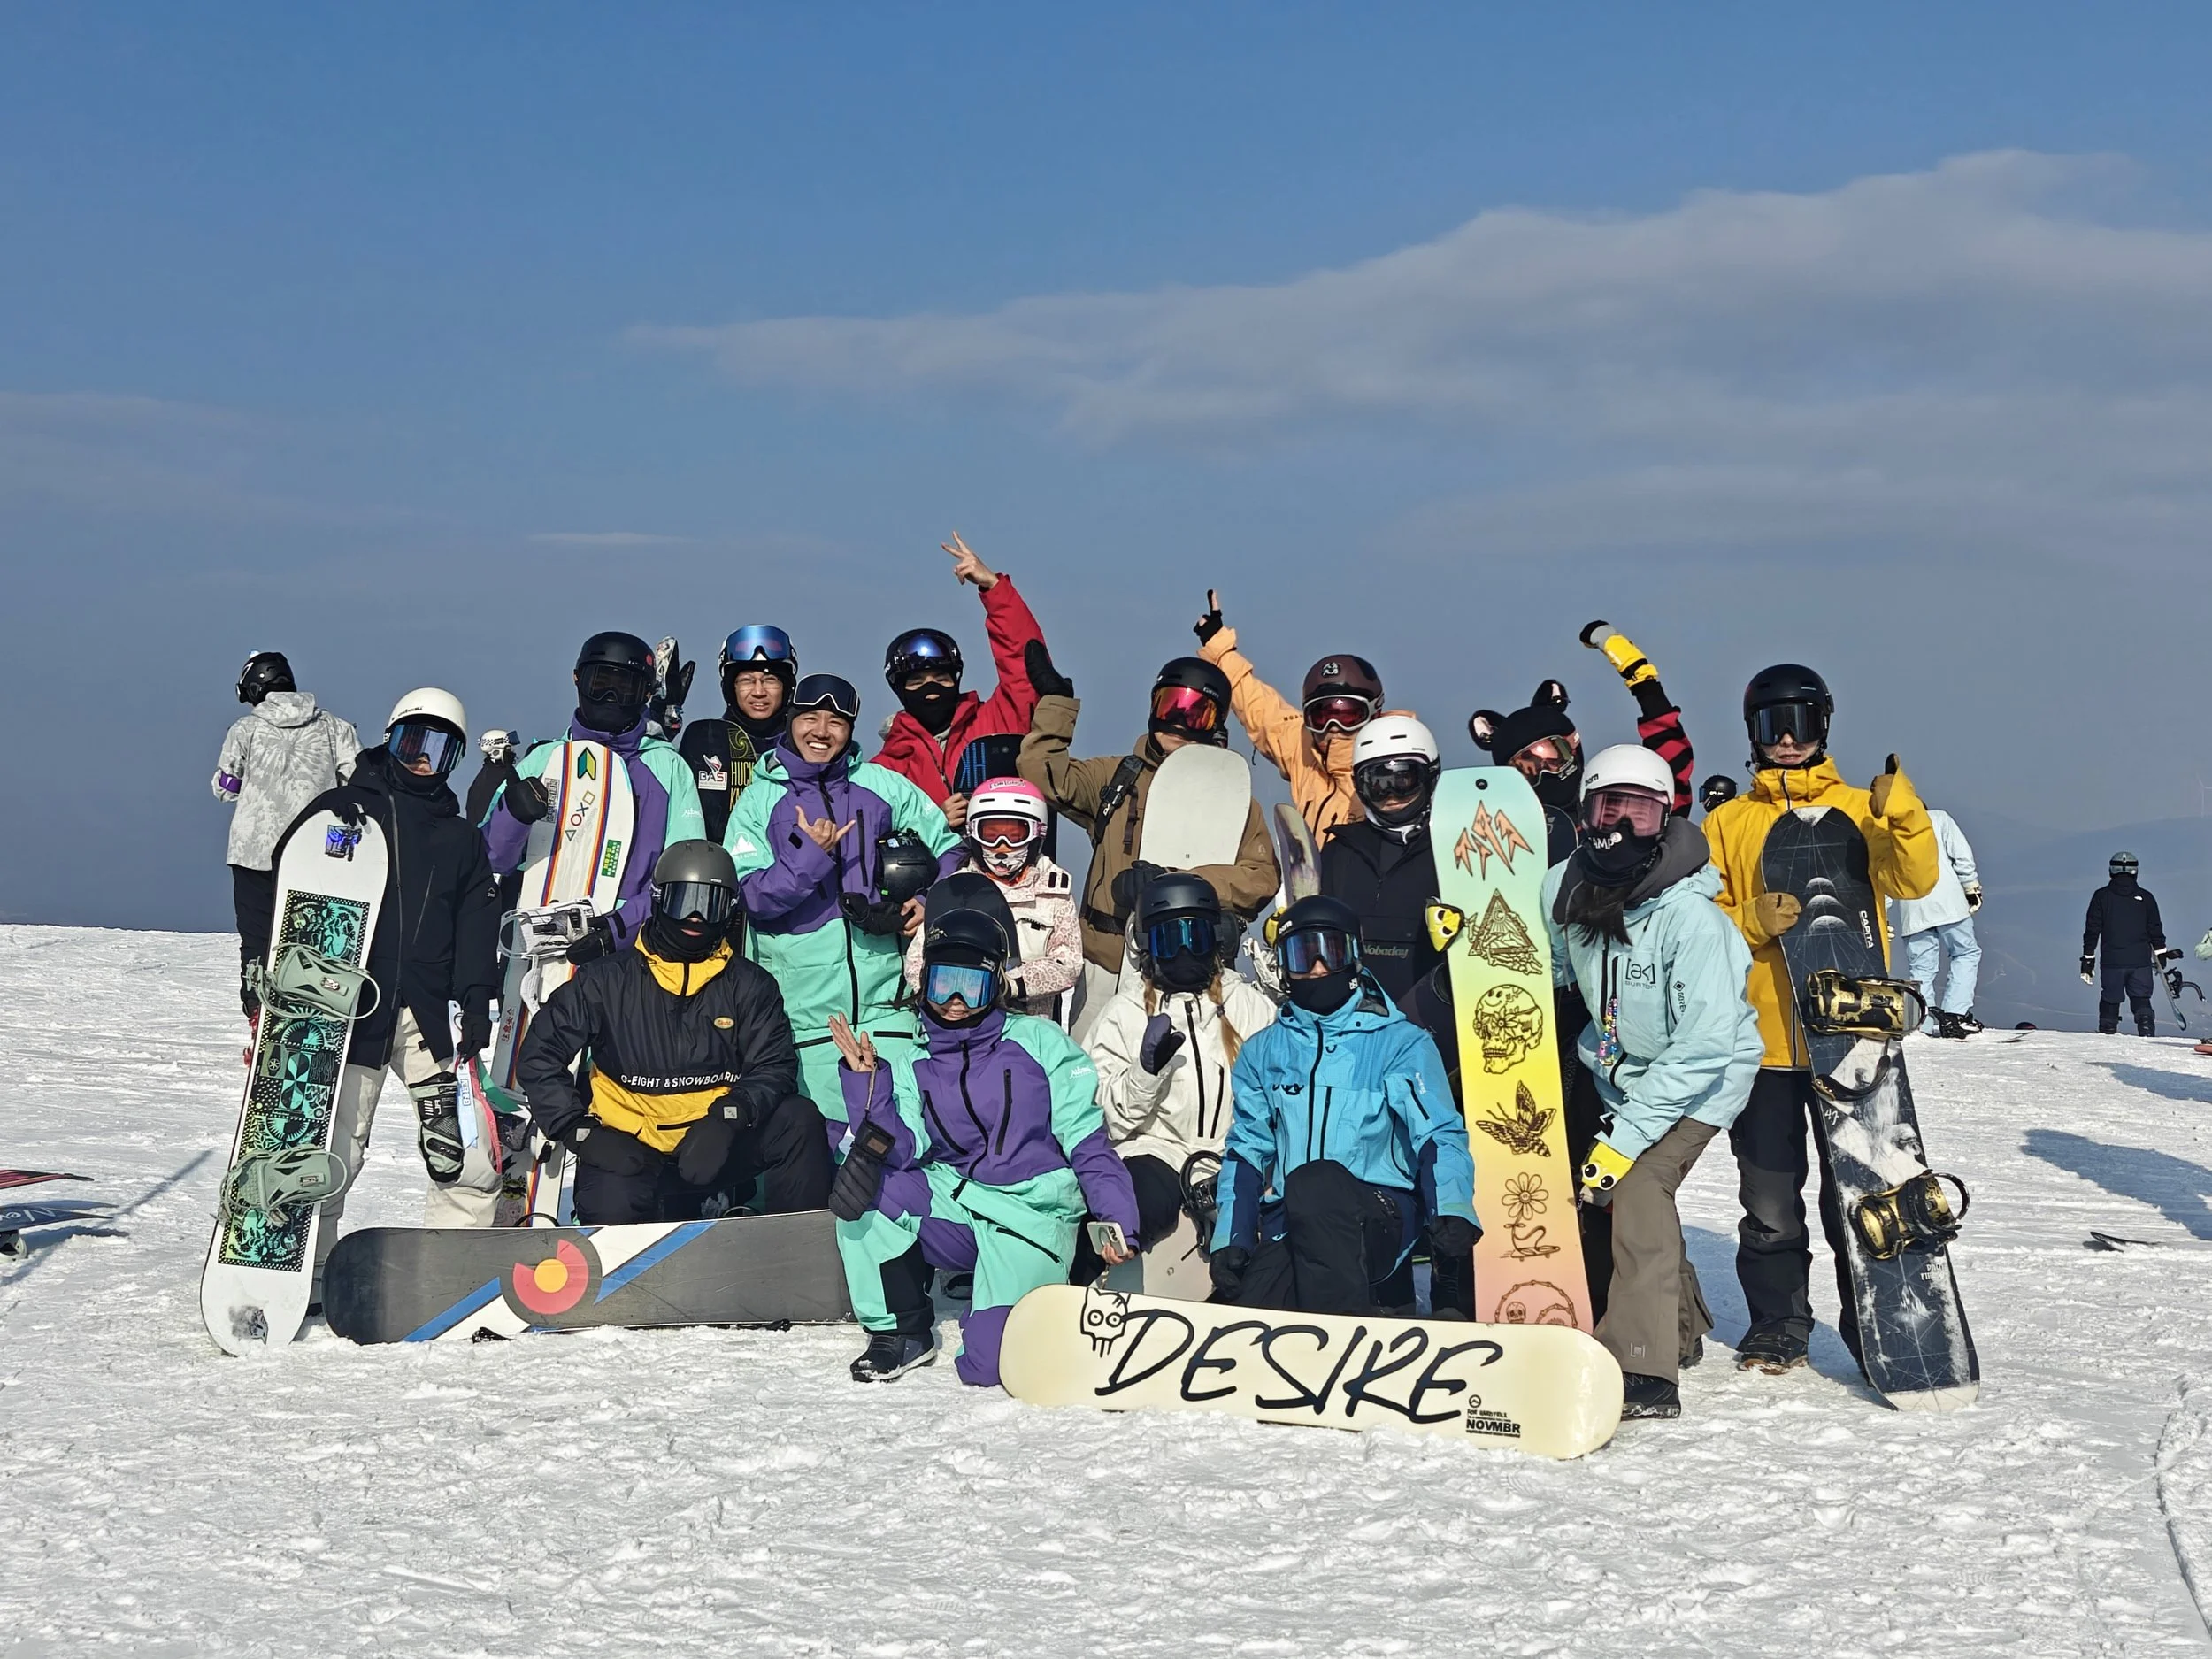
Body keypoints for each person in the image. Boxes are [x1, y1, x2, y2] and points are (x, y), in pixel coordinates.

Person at [1702, 664, 1939, 1374]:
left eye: (1798, 722)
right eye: (1769, 723)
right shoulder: (1728, 823)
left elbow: (1914, 878)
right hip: (1764, 1044)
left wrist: (1903, 814)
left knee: (1861, 1194)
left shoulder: (1858, 812)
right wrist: (1747, 920)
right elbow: (1701, 922)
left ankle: (1875, 1326)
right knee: (1769, 1199)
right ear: (1750, 732)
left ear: (1822, 726)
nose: (1783, 737)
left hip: (1850, 1038)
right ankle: (1779, 1323)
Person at [826, 902, 1139, 1385]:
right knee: (865, 1182)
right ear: (923, 983)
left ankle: (1021, 1289)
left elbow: (1087, 1141)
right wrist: (867, 1086)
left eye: (969, 984)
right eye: (941, 982)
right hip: (959, 1204)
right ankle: (902, 1331)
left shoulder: (1042, 1042)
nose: (953, 999)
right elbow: (902, 1147)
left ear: (994, 983)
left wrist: (1116, 1215)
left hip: (1031, 1217)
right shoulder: (914, 1061)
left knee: (992, 1367)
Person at [1541, 746, 1763, 1418]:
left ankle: (1642, 1367)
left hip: (1700, 1081)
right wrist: (1466, 953)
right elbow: (1552, 967)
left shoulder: (1691, 919)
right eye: (1609, 806)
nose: (1621, 824)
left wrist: (1628, 1137)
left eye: (1638, 810)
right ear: (1586, 814)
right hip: (1614, 1070)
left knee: (1634, 1182)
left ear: (1665, 820)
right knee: (1594, 1189)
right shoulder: (1565, 887)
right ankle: (1680, 1324)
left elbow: (1703, 1046)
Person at [278, 689, 503, 1296]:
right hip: (350, 1015)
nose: (423, 758)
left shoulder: (459, 836)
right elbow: (292, 874)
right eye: (413, 741)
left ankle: (457, 1273)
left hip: (428, 1017)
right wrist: (333, 831)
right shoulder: (344, 811)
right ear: (391, 740)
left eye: (441, 748)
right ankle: (310, 1273)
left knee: (464, 1154)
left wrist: (478, 996)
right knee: (334, 1150)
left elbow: (479, 918)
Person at [514, 841, 825, 1225]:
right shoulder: (606, 981)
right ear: (659, 900)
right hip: (628, 1150)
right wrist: (580, 1132)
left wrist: (729, 1117)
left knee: (799, 1121)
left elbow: (774, 1067)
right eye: (683, 901)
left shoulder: (749, 985)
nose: (695, 917)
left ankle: (795, 1253)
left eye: (709, 904)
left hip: (712, 1146)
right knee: (610, 1207)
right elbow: (539, 1055)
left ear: (727, 911)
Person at [1209, 895, 1479, 1316]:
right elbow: (1246, 1150)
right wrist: (1233, 1236)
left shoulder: (1400, 1044)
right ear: (1283, 964)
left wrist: (1451, 1205)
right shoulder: (1263, 1053)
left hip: (1380, 1214)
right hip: (1292, 1222)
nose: (1317, 967)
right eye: (1302, 954)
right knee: (1252, 1311)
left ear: (1353, 955)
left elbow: (1438, 1133)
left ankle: (1340, 1349)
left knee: (1316, 1183)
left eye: (1330, 951)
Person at [724, 673, 964, 1115]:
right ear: (791, 720)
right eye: (810, 718)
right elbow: (749, 898)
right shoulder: (759, 801)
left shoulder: (884, 786)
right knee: (813, 1155)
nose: (821, 731)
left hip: (889, 1014)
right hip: (800, 1020)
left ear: (851, 729)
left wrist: (929, 902)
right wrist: (809, 857)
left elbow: (951, 850)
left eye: (836, 721)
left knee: (898, 1144)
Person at [1018, 645, 1280, 1040]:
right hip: (1104, 964)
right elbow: (1042, 776)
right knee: (1094, 1077)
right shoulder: (1118, 777)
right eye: (1170, 705)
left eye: (1196, 712)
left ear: (1215, 722)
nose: (1179, 721)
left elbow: (1260, 878)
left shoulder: (1232, 798)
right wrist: (1056, 705)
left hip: (1186, 965)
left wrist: (1179, 884)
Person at [478, 631, 706, 965]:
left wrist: (620, 928)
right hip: (545, 945)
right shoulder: (544, 761)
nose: (610, 697)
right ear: (577, 680)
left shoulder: (666, 767)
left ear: (644, 693)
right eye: (599, 683)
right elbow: (491, 858)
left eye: (625, 687)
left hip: (632, 949)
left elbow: (684, 874)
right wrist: (512, 816)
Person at [1087, 872, 1279, 1255]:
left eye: (1197, 937)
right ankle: (1098, 1285)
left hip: (1240, 1154)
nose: (1185, 952)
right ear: (1146, 946)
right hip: (1159, 1153)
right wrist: (1144, 1075)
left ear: (1219, 940)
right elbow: (1100, 1122)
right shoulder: (1123, 1014)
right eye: (1169, 941)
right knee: (1132, 1202)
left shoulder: (1251, 1007)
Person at [1468, 622, 1695, 867]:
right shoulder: (1510, 836)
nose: (1545, 771)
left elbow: (1670, 768)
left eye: (1553, 756)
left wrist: (1646, 687)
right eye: (1527, 768)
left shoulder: (1619, 806)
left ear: (1573, 746)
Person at [1191, 590, 1410, 841]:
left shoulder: (1397, 765)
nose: (1333, 727)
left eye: (1348, 715)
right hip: (1317, 879)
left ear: (1374, 712)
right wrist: (1219, 648)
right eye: (1322, 715)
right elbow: (1260, 710)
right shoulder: (1304, 751)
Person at [213, 650, 360, 1019]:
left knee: (257, 936)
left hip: (254, 852)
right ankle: (317, 997)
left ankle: (255, 1001)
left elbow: (225, 787)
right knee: (312, 935)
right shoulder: (334, 727)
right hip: (316, 850)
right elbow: (358, 781)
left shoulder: (245, 730)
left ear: (251, 687)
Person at [871, 534, 1048, 827]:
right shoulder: (885, 771)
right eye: (917, 681)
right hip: (932, 872)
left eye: (941, 678)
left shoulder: (995, 723)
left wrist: (993, 588)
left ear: (957, 679)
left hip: (1006, 862)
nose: (931, 688)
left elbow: (1026, 671)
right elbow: (870, 841)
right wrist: (932, 823)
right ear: (899, 689)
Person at [901, 776, 1081, 1019]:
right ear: (973, 832)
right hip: (963, 1022)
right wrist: (952, 991)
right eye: (991, 833)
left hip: (1031, 1027)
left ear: (1038, 832)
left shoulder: (1053, 892)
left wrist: (1008, 984)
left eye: (1014, 834)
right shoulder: (953, 889)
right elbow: (915, 964)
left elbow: (1068, 964)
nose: (1001, 847)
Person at [681, 625, 797, 843]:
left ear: (787, 687)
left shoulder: (804, 747)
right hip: (713, 870)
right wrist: (660, 722)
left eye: (770, 680)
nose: (759, 691)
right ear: (730, 687)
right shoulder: (705, 741)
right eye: (746, 680)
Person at [1893, 807, 1985, 1039]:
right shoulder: (1939, 818)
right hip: (1949, 904)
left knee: (1921, 968)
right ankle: (1955, 1015)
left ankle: (1920, 1023)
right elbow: (1961, 854)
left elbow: (1883, 875)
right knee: (1965, 953)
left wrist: (1882, 915)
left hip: (1912, 909)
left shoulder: (1888, 831)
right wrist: (1970, 887)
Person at [2083, 852, 2177, 1037]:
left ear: (2111, 870)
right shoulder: (2146, 897)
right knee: (2141, 999)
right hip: (2140, 961)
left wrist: (2088, 958)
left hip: (2112, 961)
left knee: (2110, 999)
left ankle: (2107, 1033)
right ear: (2135, 871)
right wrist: (2161, 954)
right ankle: (2147, 1034)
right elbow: (2155, 929)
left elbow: (2092, 930)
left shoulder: (2101, 897)